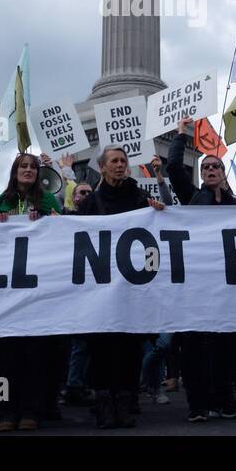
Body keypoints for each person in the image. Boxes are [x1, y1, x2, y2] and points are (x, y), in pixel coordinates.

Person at [75, 145, 165, 428]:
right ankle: (103, 404)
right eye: (113, 161)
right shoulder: (91, 204)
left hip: (131, 290)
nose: (119, 165)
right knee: (101, 349)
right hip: (100, 292)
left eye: (123, 161)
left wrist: (159, 213)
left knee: (129, 348)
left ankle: (124, 403)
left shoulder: (140, 199)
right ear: (102, 167)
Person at [166, 117, 236, 422]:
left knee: (226, 346)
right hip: (196, 286)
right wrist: (181, 135)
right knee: (196, 346)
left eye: (216, 167)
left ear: (224, 173)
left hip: (226, 288)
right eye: (206, 168)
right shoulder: (193, 198)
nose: (211, 171)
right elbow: (173, 169)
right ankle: (198, 405)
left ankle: (225, 401)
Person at [0, 152, 64, 431]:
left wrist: (46, 219)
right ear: (15, 171)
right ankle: (3, 410)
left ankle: (31, 408)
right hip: (4, 293)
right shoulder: (0, 202)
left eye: (32, 166)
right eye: (23, 166)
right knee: (3, 359)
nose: (28, 170)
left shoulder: (48, 200)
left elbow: (62, 231)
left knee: (34, 355)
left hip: (36, 293)